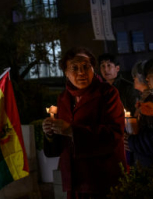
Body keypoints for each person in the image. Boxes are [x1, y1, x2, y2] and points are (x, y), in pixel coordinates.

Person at [43, 47, 126, 198]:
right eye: (74, 68)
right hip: (74, 179)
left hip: (102, 177)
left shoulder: (107, 93)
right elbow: (61, 143)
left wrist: (72, 131)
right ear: (66, 73)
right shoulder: (63, 98)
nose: (81, 72)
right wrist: (50, 133)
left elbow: (114, 133)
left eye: (85, 67)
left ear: (93, 68)